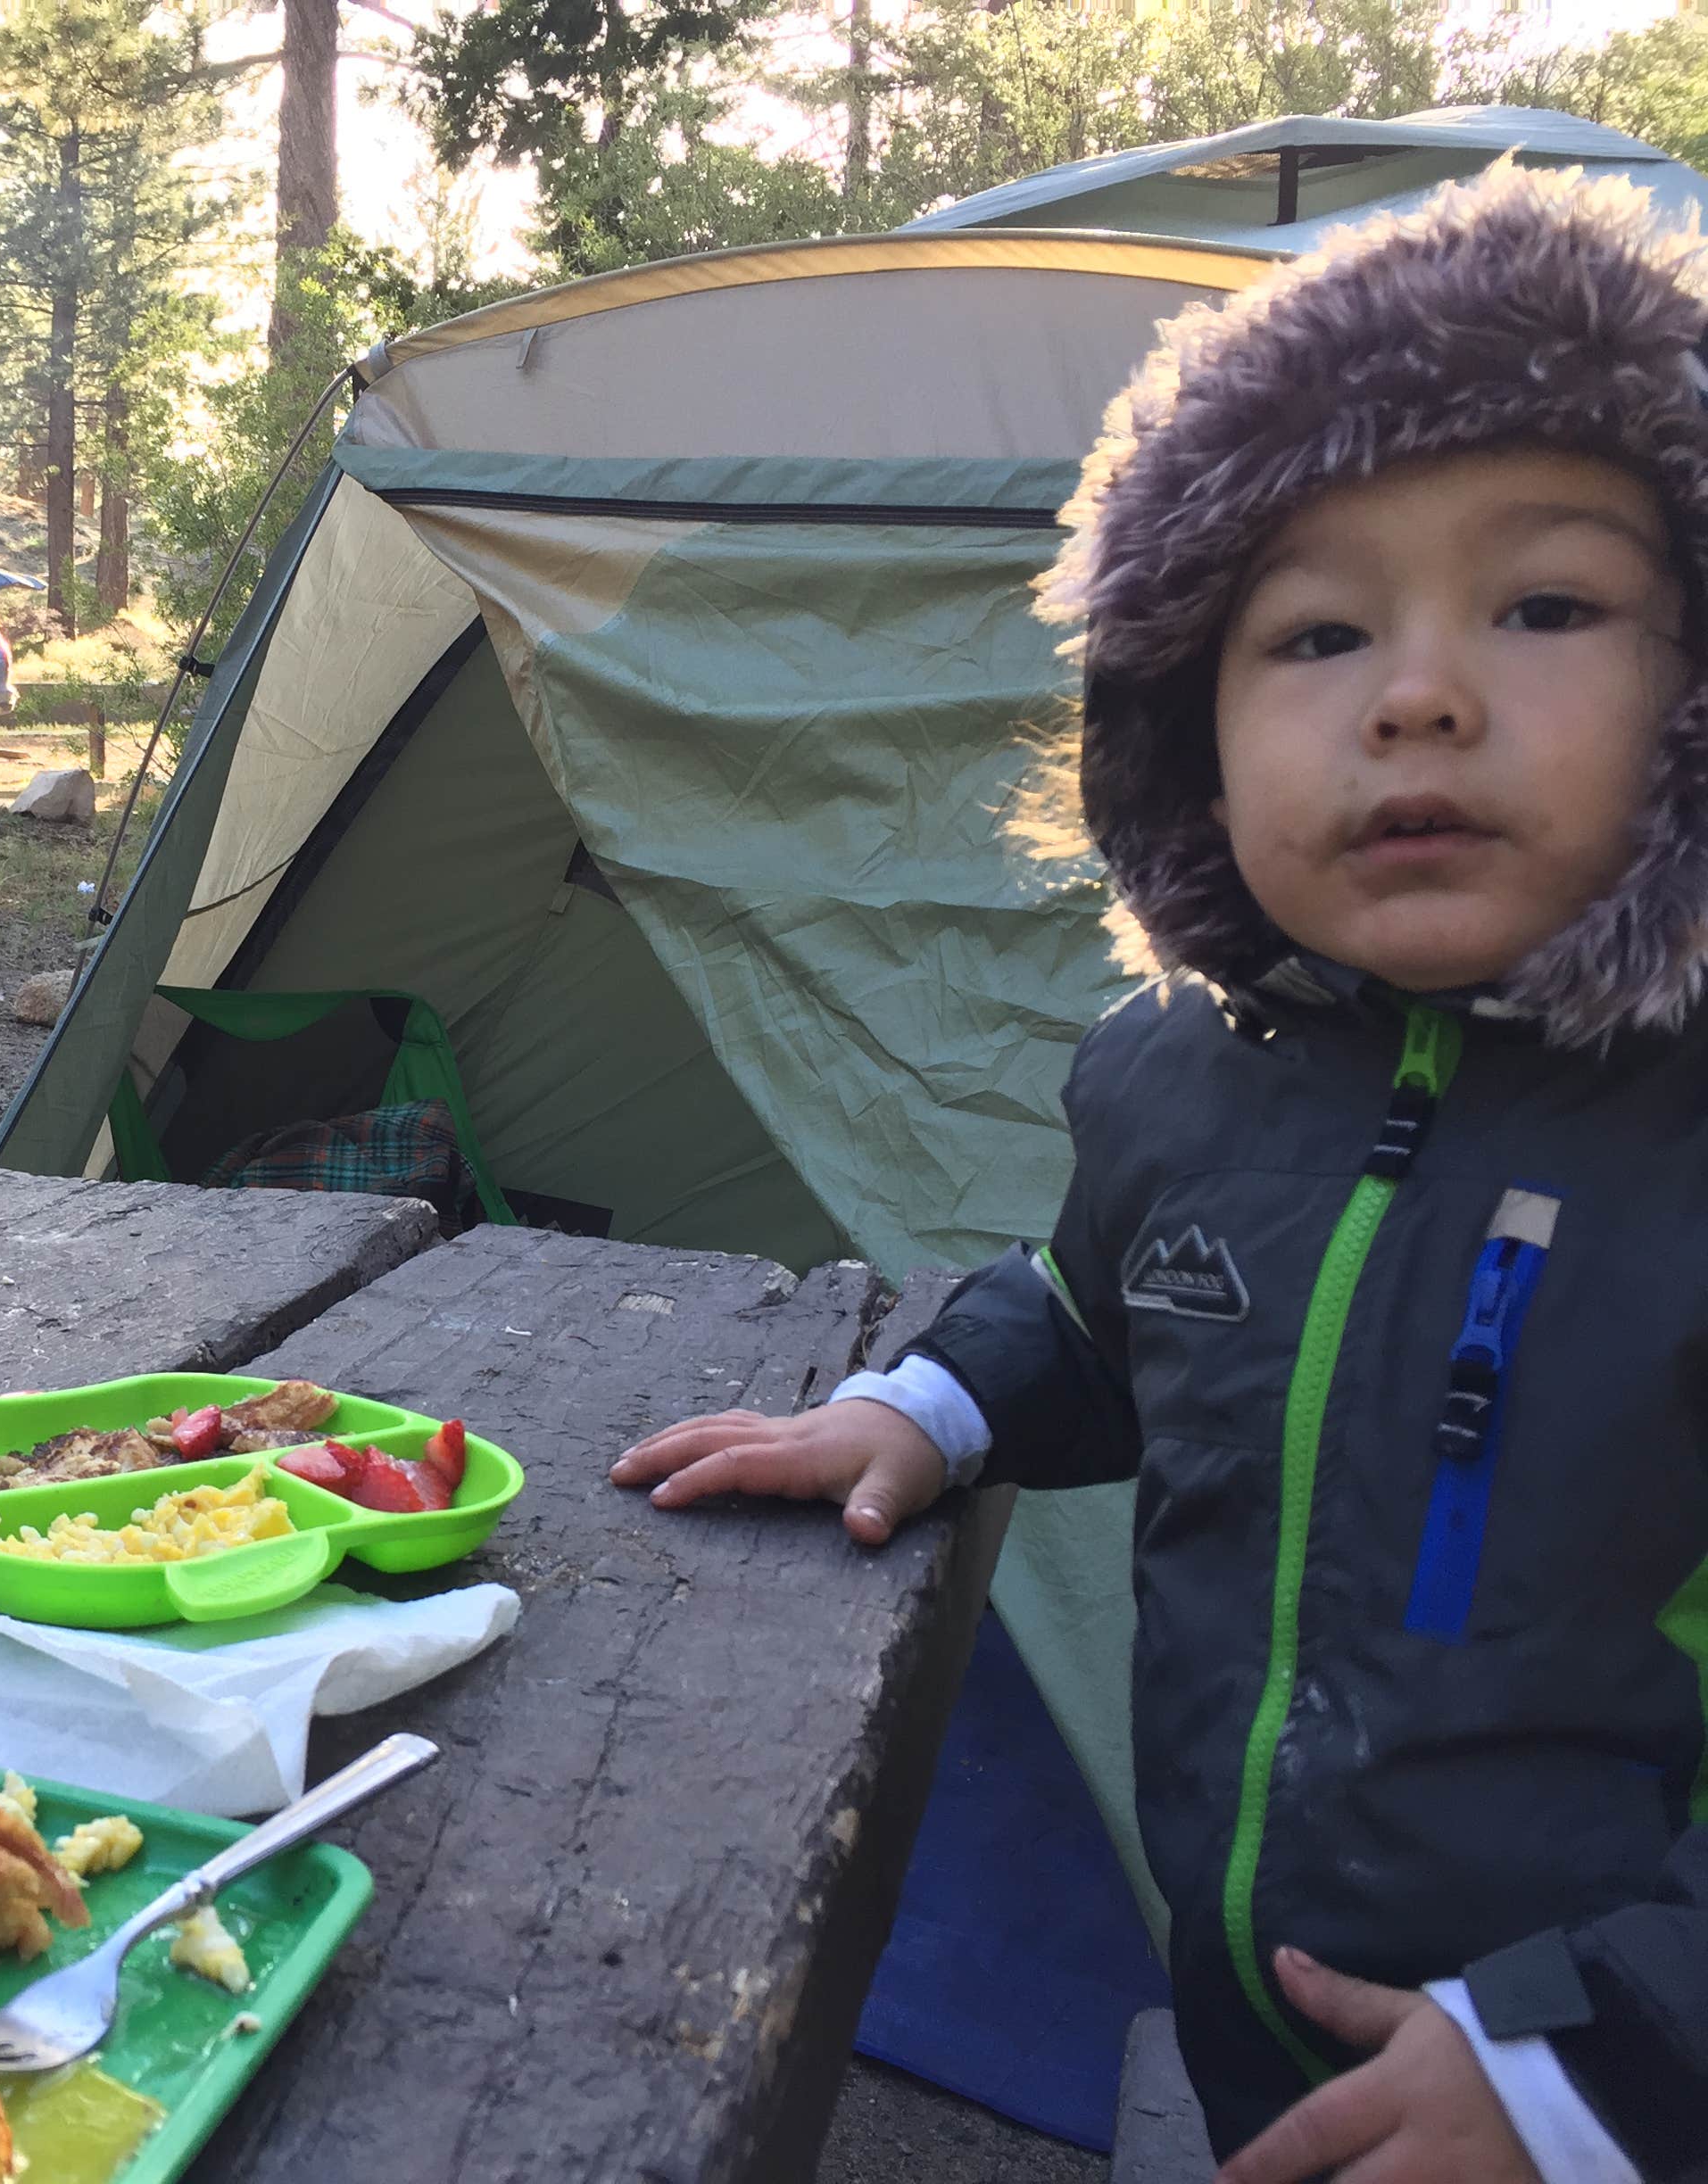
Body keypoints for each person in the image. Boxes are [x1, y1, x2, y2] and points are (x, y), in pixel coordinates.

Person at [612, 167, 1708, 2183]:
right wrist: (922, 1404)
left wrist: (1597, 2055)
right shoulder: (1180, 1080)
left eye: (1545, 604)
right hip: (1255, 2014)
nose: (1416, 693)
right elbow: (1118, 1310)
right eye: (1311, 632)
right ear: (1178, 741)